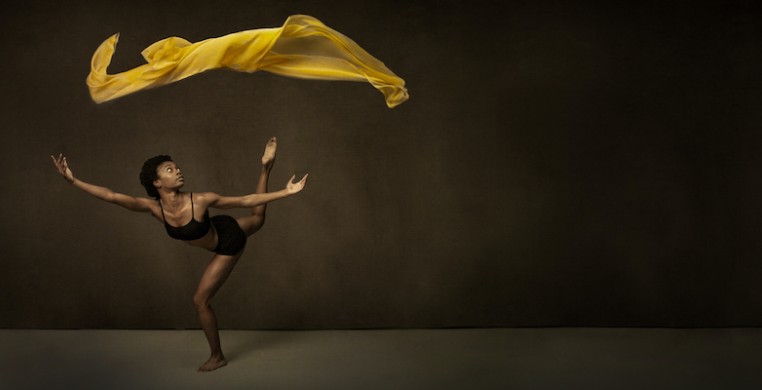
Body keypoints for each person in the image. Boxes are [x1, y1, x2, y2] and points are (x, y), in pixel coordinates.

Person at [50, 137, 307, 372]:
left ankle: (217, 357)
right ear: (157, 182)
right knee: (258, 220)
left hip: (228, 240)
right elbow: (112, 196)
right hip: (219, 231)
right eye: (170, 169)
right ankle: (265, 166)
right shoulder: (154, 208)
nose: (178, 170)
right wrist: (73, 180)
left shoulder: (202, 199)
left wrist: (286, 192)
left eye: (177, 167)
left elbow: (246, 200)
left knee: (201, 298)